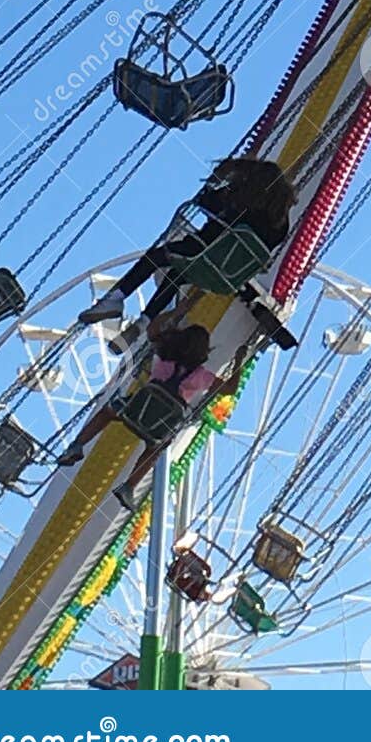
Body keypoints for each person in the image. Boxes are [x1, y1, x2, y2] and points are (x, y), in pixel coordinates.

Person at [79, 157, 296, 332]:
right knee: (178, 273)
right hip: (229, 276)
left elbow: (207, 203)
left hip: (204, 252)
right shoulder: (280, 223)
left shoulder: (242, 201)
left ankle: (116, 299)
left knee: (156, 257)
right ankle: (144, 321)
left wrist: (217, 186)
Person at [59, 319, 248, 509]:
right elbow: (230, 389)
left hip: (135, 411)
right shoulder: (201, 376)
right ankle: (129, 486)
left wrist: (180, 310)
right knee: (156, 449)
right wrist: (239, 360)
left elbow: (152, 329)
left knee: (108, 412)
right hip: (158, 427)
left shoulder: (164, 357)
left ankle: (77, 445)